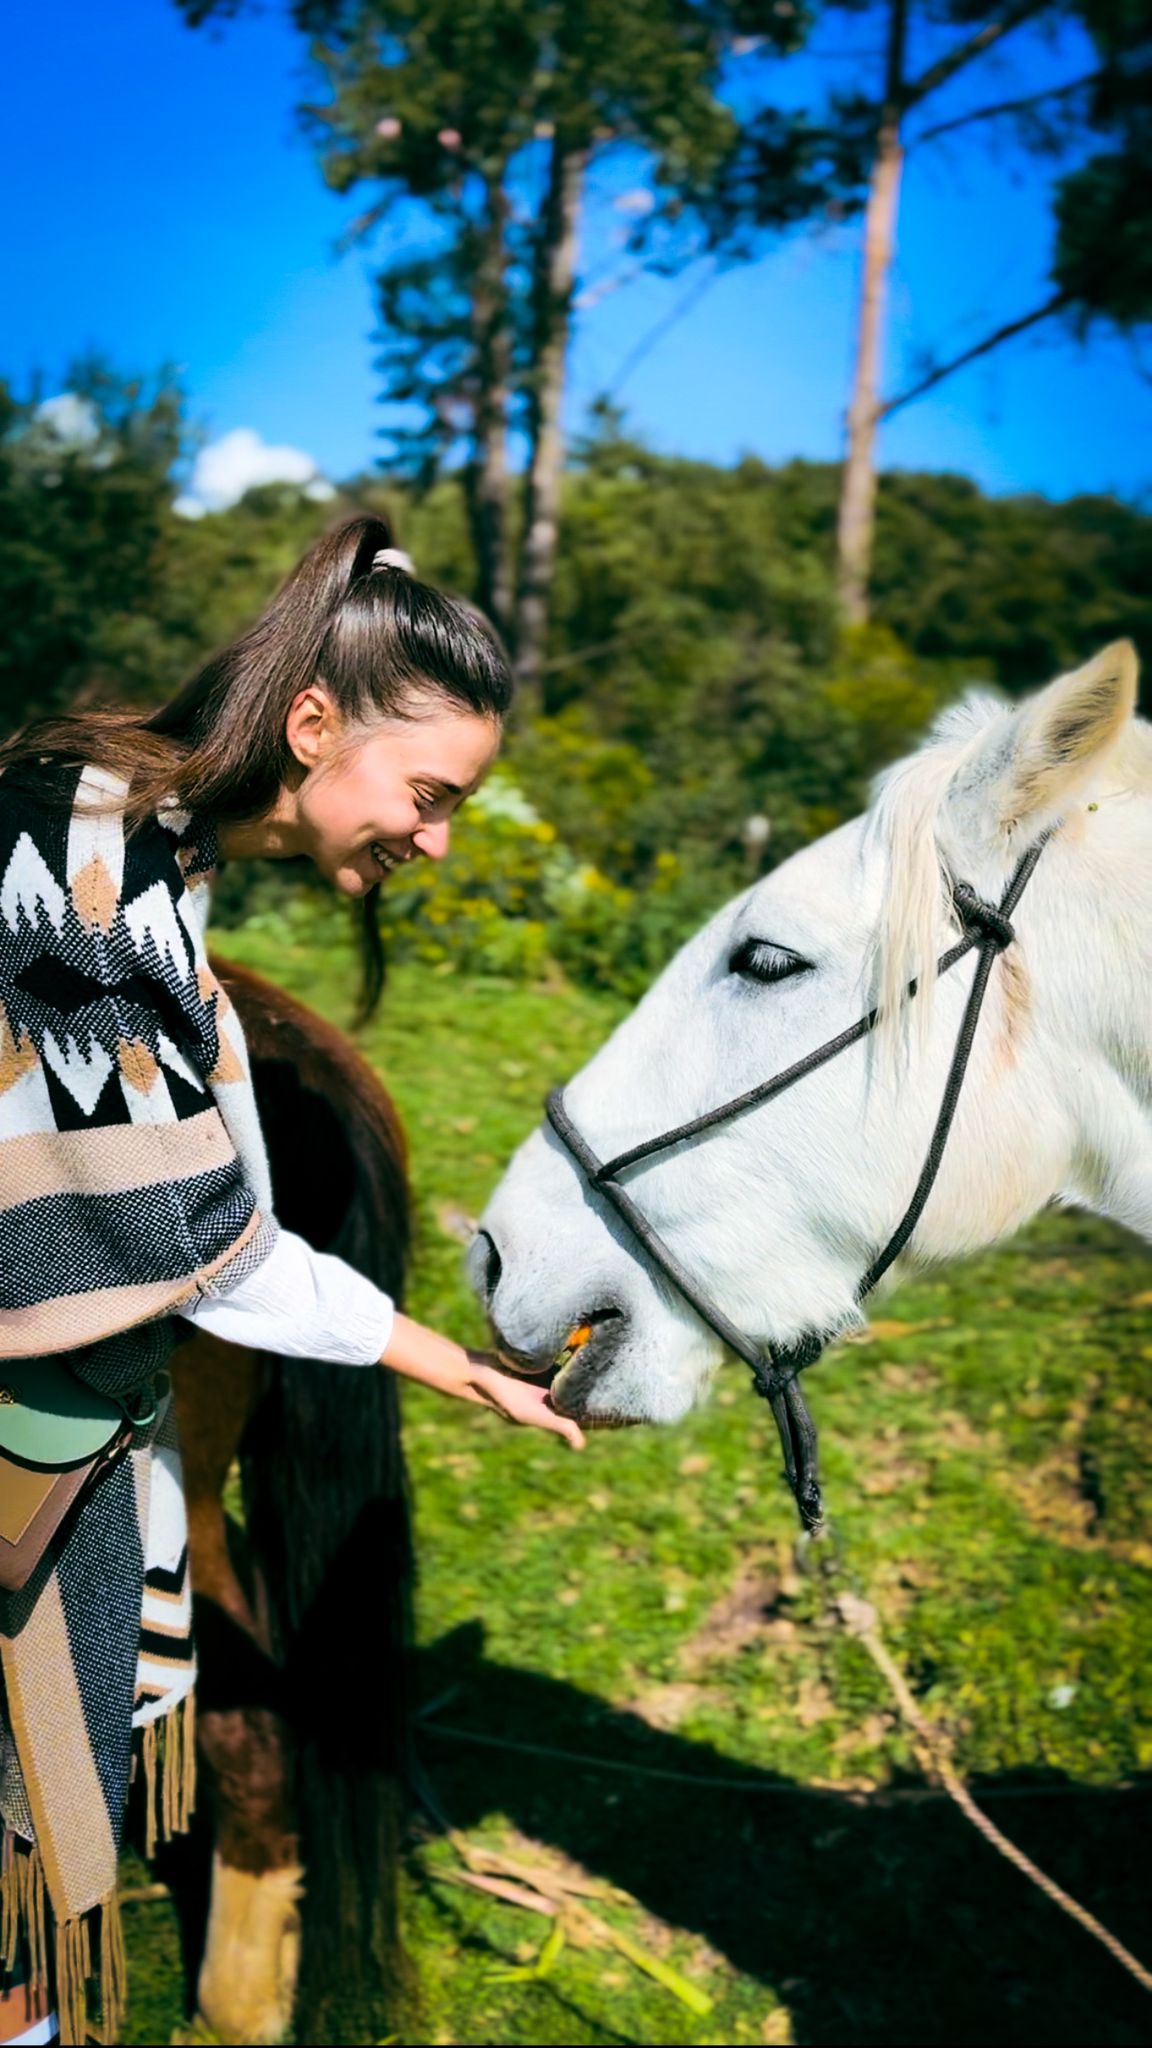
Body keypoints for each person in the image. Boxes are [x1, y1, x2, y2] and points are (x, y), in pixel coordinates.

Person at [0, 514, 583, 2045]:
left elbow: (196, 1222)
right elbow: (170, 1230)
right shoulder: (84, 864)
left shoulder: (151, 857)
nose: (436, 840)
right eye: (430, 797)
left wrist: (448, 1363)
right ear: (312, 726)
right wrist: (442, 1360)